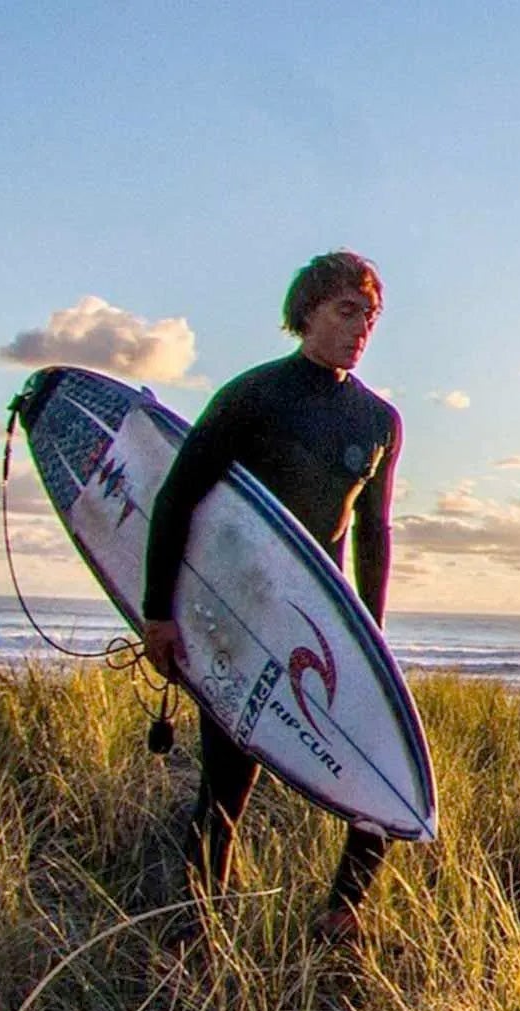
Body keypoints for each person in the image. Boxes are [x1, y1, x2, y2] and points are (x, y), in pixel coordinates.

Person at [141, 250, 401, 943]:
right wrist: (159, 613)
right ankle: (198, 931)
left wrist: (370, 634)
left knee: (382, 771)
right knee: (226, 789)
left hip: (326, 624)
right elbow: (177, 499)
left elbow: (372, 533)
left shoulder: (378, 420)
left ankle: (342, 915)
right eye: (347, 311)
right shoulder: (252, 396)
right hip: (244, 620)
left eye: (369, 316)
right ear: (306, 313)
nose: (360, 328)